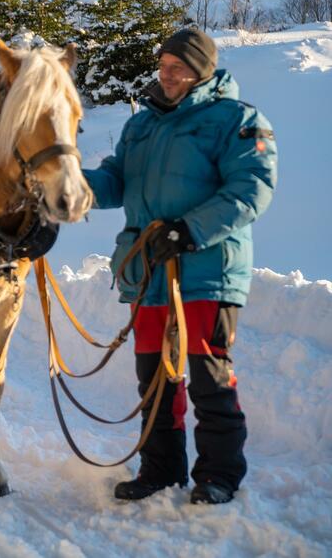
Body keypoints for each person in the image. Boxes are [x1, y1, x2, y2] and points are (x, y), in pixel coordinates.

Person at [83, 27, 277, 505]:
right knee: (153, 378)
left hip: (207, 270)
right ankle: (161, 469)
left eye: (177, 68)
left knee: (208, 377)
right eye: (163, 66)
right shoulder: (141, 125)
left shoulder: (238, 120)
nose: (165, 75)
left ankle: (218, 475)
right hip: (150, 273)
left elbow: (252, 188)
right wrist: (69, 184)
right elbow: (114, 181)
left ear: (200, 72)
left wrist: (189, 230)